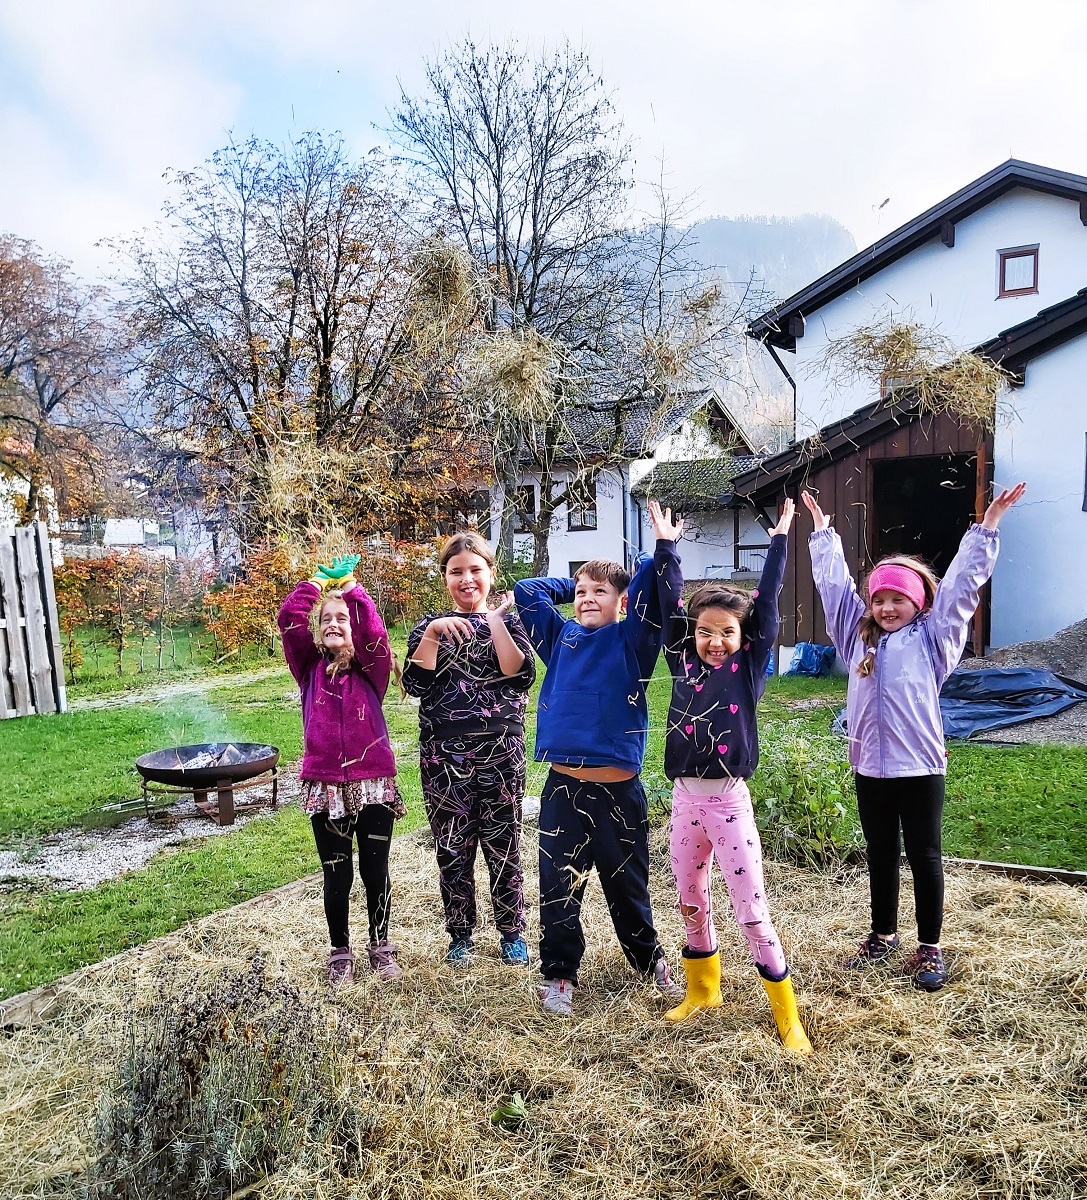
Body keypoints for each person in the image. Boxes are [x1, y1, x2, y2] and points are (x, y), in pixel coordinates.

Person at [802, 482, 1026, 991]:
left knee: (924, 856)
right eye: (878, 599)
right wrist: (822, 536)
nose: (885, 607)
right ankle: (883, 935)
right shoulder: (855, 635)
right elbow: (834, 589)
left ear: (919, 602)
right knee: (880, 854)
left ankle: (929, 947)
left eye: (897, 599)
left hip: (920, 767)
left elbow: (962, 591)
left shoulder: (934, 638)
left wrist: (984, 529)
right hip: (869, 767)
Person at [514, 504, 682, 1017]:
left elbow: (661, 598)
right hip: (563, 787)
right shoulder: (561, 639)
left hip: (618, 790)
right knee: (557, 884)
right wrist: (577, 581)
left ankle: (649, 958)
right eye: (581, 592)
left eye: (599, 592)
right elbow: (526, 591)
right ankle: (560, 974)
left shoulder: (633, 640)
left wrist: (663, 549)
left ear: (622, 601)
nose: (588, 599)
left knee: (626, 881)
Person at [659, 498, 812, 1053]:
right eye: (705, 631)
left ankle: (787, 1016)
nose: (713, 640)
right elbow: (671, 608)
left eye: (725, 631)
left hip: (728, 803)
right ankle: (704, 992)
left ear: (742, 638)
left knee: (751, 911)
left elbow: (767, 604)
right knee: (691, 900)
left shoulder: (748, 670)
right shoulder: (682, 661)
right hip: (684, 802)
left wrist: (778, 544)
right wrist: (667, 546)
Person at [403, 533, 536, 968]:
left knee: (504, 843)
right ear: (444, 577)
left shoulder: (510, 622)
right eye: (456, 571)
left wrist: (495, 620)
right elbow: (414, 685)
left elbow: (519, 675)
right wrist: (435, 633)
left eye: (475, 570)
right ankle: (460, 935)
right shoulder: (428, 627)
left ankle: (511, 932)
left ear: (490, 573)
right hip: (443, 759)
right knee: (452, 846)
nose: (466, 579)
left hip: (501, 753)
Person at [278, 554, 404, 987]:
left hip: (372, 783)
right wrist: (314, 585)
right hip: (326, 785)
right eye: (326, 619)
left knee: (374, 871)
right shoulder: (308, 669)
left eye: (342, 619)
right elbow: (289, 620)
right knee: (337, 872)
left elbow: (375, 634)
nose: (334, 623)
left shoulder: (373, 670)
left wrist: (354, 591)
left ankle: (381, 945)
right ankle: (339, 952)